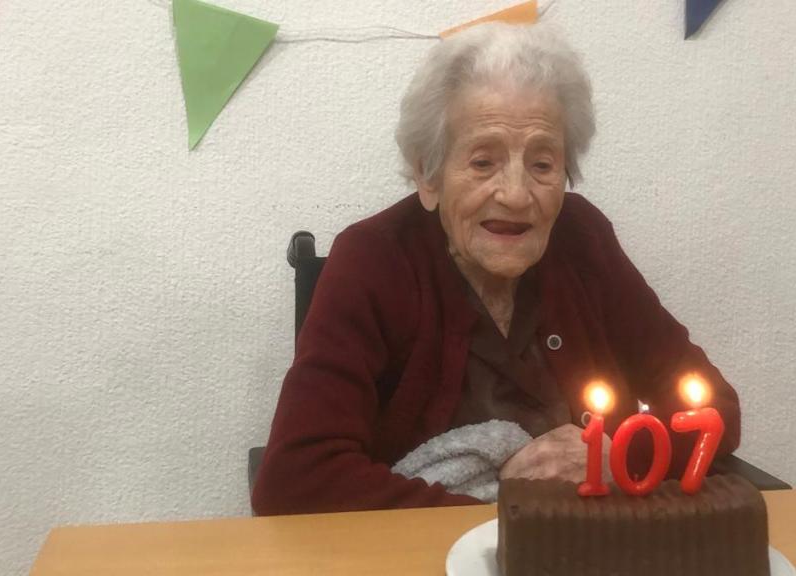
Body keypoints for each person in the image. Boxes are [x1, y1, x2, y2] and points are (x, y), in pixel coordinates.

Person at [252, 23, 741, 516]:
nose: (515, 194)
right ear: (429, 174)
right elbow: (296, 479)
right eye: (483, 162)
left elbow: (716, 409)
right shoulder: (372, 260)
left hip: (596, 546)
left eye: (543, 164)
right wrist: (498, 520)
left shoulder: (584, 241)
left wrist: (620, 459)